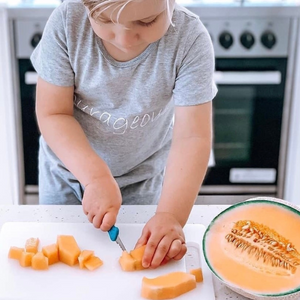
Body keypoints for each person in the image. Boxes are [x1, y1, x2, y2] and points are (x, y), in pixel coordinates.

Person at [30, 0, 217, 269]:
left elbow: (192, 137)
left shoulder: (190, 39)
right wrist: (95, 177)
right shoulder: (66, 23)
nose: (125, 39)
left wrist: (170, 215)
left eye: (147, 21)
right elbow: (53, 113)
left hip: (141, 179)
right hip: (67, 177)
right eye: (105, 21)